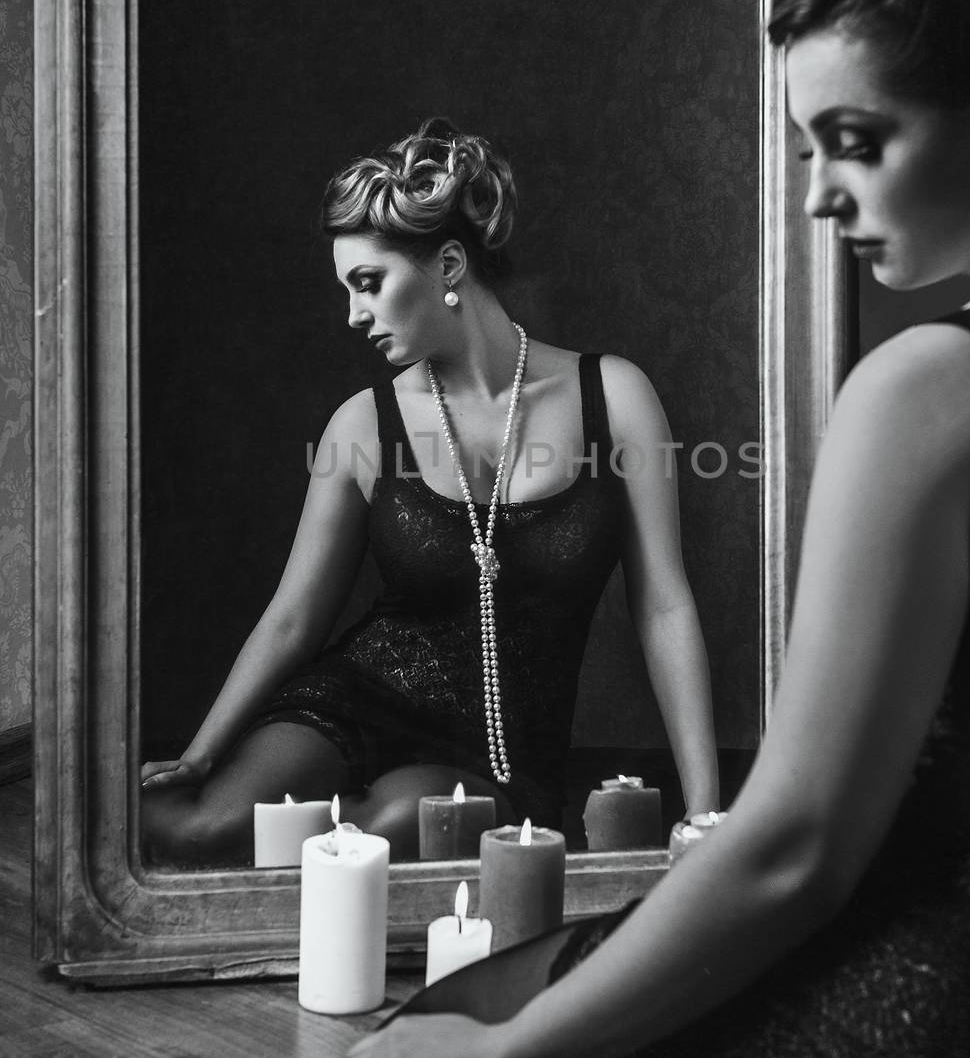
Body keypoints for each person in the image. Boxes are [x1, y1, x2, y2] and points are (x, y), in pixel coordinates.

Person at [306, 0, 970, 1058]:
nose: (814, 197)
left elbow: (797, 851)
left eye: (854, 142)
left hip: (933, 1031)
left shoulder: (937, 388)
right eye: (801, 147)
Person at [141, 118, 719, 865]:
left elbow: (665, 604)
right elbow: (293, 619)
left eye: (369, 283)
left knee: (396, 825)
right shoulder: (361, 424)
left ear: (448, 264)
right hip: (354, 701)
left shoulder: (615, 396)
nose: (354, 314)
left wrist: (705, 809)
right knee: (199, 829)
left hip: (502, 755)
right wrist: (200, 755)